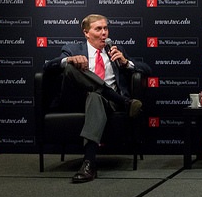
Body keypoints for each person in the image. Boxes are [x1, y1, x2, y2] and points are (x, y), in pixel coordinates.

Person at [43, 14, 152, 183]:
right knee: (71, 67)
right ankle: (124, 101)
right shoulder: (73, 49)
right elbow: (48, 66)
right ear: (86, 33)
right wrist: (69, 60)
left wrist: (125, 63)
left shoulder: (115, 50)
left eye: (106, 28)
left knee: (95, 97)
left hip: (108, 104)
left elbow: (146, 69)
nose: (104, 33)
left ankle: (89, 163)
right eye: (98, 29)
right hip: (78, 100)